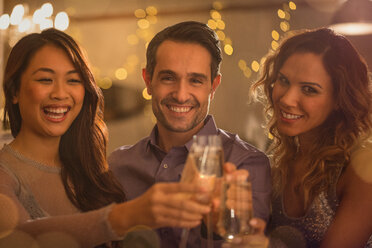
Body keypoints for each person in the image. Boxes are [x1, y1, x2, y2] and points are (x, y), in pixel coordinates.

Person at [0, 28, 213, 248]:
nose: (60, 94)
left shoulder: (94, 170)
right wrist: (123, 217)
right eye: (45, 79)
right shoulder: (5, 173)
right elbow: (15, 236)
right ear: (14, 90)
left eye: (73, 80)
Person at [108, 21, 271, 247]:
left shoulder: (246, 164)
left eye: (195, 80)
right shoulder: (118, 164)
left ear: (213, 86)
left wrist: (220, 228)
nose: (181, 95)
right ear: (148, 80)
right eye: (168, 78)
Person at [252, 27, 372, 247]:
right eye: (284, 80)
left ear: (339, 99)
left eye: (309, 89)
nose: (287, 99)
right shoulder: (279, 163)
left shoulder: (362, 168)